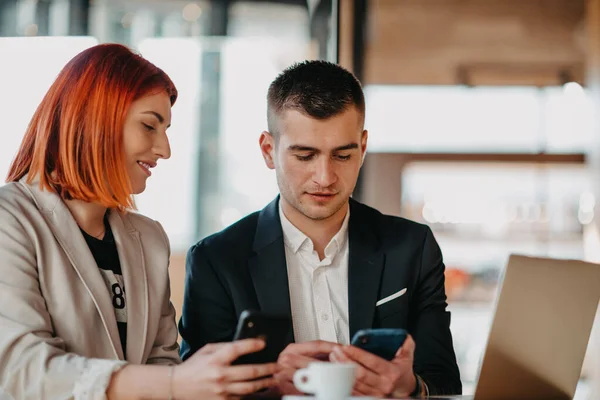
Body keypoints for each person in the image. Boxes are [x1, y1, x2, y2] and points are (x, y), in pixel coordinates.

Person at [0, 43, 276, 400]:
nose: (165, 149)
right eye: (149, 126)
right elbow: (20, 369)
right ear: (93, 119)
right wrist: (176, 385)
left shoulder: (149, 239)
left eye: (166, 130)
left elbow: (162, 361)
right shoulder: (11, 221)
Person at [178, 60, 462, 398]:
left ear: (363, 147)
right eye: (305, 156)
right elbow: (193, 390)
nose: (325, 178)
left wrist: (413, 388)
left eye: (342, 156)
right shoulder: (216, 260)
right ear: (269, 151)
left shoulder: (412, 247)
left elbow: (444, 382)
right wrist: (268, 385)